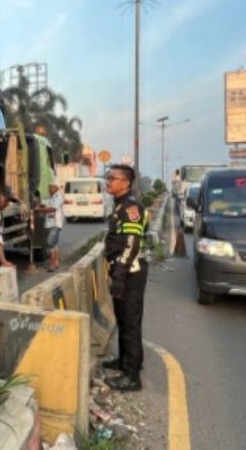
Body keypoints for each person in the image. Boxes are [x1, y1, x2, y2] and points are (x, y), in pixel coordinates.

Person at [101, 164, 149, 391]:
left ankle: (132, 376)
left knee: (130, 324)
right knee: (121, 320)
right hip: (122, 271)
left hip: (130, 274)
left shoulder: (131, 208)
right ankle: (123, 361)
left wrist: (119, 276)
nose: (108, 181)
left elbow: (131, 244)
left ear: (126, 183)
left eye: (112, 178)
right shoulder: (119, 204)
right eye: (107, 177)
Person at [34, 180, 64, 271]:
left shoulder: (58, 197)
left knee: (50, 243)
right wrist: (41, 206)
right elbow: (47, 205)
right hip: (52, 223)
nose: (49, 189)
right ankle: (56, 262)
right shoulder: (52, 197)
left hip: (55, 223)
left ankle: (52, 265)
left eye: (51, 187)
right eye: (49, 187)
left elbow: (52, 209)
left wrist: (39, 209)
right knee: (54, 244)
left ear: (56, 188)